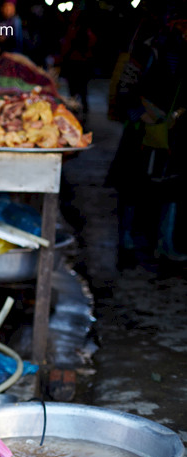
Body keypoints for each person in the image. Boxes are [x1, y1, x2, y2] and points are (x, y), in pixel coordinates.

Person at [108, 0, 187, 268]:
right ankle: (126, 242)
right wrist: (145, 116)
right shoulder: (147, 49)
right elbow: (124, 90)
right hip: (142, 132)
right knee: (132, 187)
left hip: (174, 133)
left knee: (171, 188)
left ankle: (164, 244)